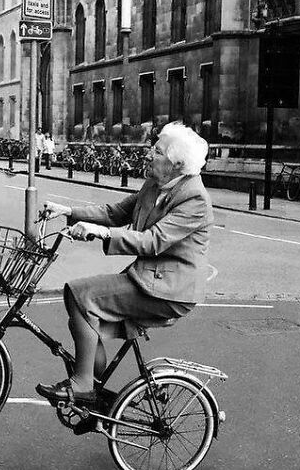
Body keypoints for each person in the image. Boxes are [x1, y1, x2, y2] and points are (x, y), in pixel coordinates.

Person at [35, 122, 213, 405]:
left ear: (176, 163)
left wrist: (102, 233)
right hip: (149, 278)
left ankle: (83, 386)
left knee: (81, 294)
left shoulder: (194, 198)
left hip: (170, 289)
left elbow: (153, 241)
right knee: (79, 304)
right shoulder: (155, 184)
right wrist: (68, 211)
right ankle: (93, 380)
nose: (147, 154)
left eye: (156, 151)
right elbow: (116, 212)